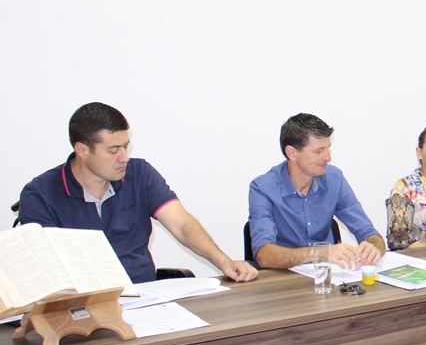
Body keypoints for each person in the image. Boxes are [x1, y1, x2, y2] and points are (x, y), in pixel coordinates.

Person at [19, 102, 258, 285]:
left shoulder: (140, 174)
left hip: (143, 297)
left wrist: (224, 262)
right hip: (82, 306)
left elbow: (182, 224)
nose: (124, 157)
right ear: (82, 150)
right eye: (113, 150)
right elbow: (47, 268)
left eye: (125, 146)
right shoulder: (40, 194)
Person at [248, 113, 384, 269]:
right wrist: (319, 253)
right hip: (284, 277)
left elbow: (369, 233)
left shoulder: (334, 179)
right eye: (318, 151)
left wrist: (374, 247)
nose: (327, 158)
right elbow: (264, 255)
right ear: (292, 153)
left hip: (327, 276)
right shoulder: (263, 188)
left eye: (327, 149)